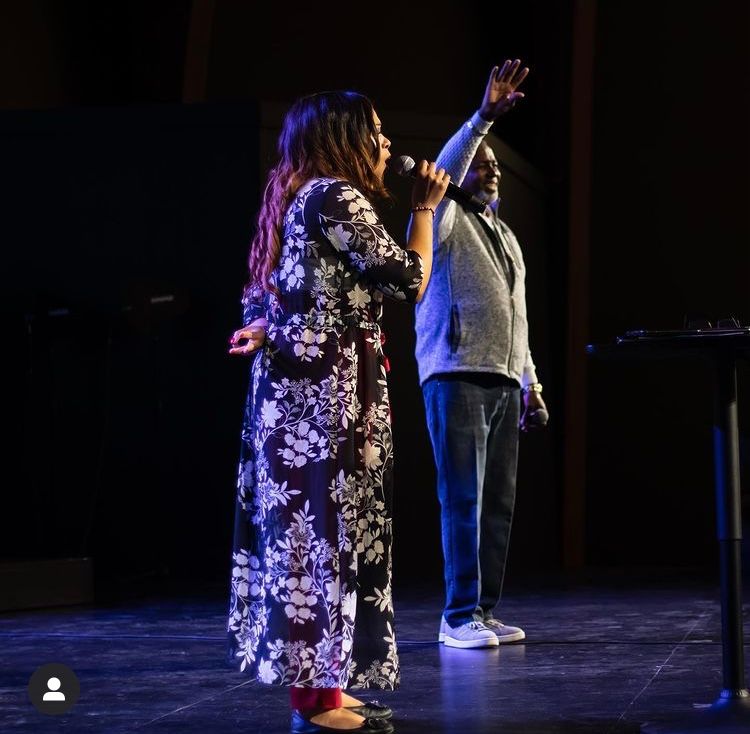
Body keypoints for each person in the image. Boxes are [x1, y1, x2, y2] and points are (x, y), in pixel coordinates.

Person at [226, 90, 449, 734]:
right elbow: (409, 279)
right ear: (344, 138)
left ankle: (325, 692)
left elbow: (262, 292)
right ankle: (313, 706)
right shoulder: (335, 196)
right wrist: (425, 209)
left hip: (301, 391)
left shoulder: (295, 196)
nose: (387, 144)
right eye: (375, 131)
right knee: (321, 538)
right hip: (323, 397)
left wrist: (267, 325)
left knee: (321, 538)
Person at [414, 61, 549, 650]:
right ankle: (457, 616)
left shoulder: (508, 236)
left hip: (503, 378)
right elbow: (448, 167)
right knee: (463, 499)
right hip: (456, 373)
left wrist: (531, 383)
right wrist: (482, 121)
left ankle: (483, 610)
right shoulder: (445, 217)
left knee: (498, 504)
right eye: (483, 162)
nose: (491, 169)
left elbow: (519, 317)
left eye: (495, 165)